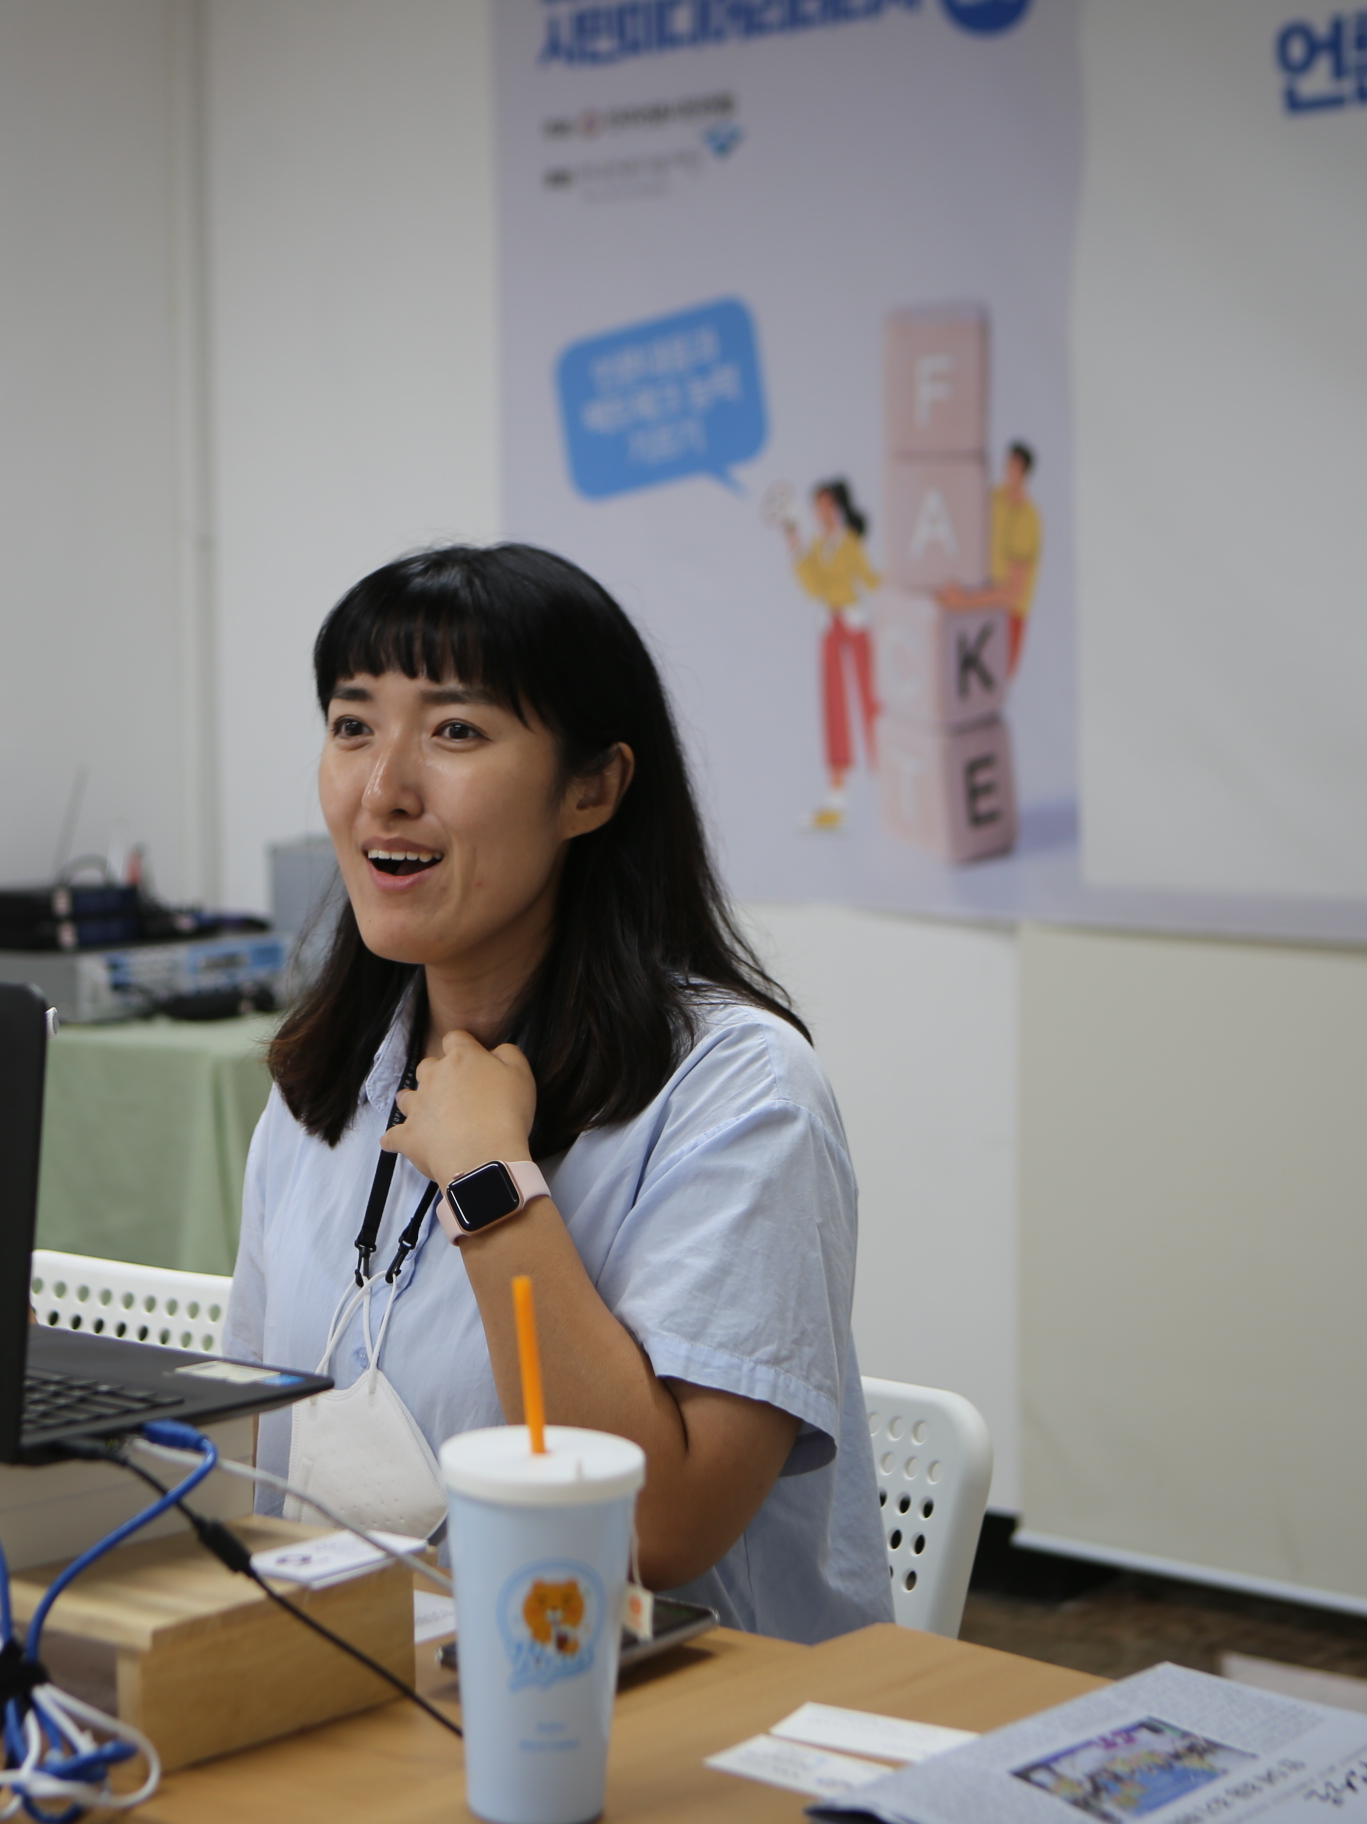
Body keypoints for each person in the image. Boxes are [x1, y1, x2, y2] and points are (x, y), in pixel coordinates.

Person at [225, 543, 890, 1645]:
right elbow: (253, 1455)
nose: (383, 789)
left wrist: (492, 1182)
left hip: (672, 1709)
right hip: (376, 1672)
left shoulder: (739, 1091)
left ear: (593, 788)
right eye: (352, 725)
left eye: (455, 731)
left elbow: (658, 1530)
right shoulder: (331, 1077)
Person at [780, 479, 880, 829]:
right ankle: (836, 796)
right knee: (834, 706)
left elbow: (869, 579)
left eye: (826, 504)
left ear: (837, 506)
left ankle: (888, 780)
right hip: (830, 627)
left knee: (871, 700)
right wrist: (796, 548)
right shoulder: (819, 546)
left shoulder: (849, 542)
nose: (821, 511)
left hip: (855, 625)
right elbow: (815, 588)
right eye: (817, 505)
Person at [936, 440, 1040, 674]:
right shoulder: (995, 498)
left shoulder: (1027, 518)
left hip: (1006, 617)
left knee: (988, 682)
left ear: (1024, 472)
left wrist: (963, 602)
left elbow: (1013, 592)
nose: (1009, 472)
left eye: (1015, 467)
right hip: (979, 601)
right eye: (1008, 465)